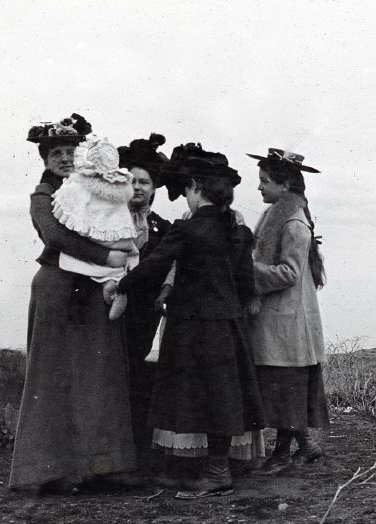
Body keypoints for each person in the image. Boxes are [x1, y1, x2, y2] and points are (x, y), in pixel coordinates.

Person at [111, 146, 265, 499]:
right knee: (222, 397)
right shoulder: (238, 231)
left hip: (193, 326)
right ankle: (217, 469)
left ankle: (213, 474)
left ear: (197, 188)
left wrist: (122, 285)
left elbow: (152, 268)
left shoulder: (188, 228)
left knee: (196, 396)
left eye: (188, 189)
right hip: (227, 325)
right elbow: (246, 284)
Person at [9, 114, 136, 494]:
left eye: (70, 151)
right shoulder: (43, 196)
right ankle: (49, 469)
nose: (65, 158)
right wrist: (107, 258)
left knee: (98, 375)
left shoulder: (98, 188)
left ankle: (103, 466)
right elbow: (56, 235)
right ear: (45, 160)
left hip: (93, 288)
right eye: (56, 154)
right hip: (58, 287)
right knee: (54, 376)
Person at [245, 148, 330, 475]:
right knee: (283, 389)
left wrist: (247, 270)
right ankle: (304, 447)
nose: (259, 187)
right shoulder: (275, 215)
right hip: (279, 319)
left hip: (288, 322)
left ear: (284, 186)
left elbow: (290, 273)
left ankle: (285, 452)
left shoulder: (293, 223)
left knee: (284, 389)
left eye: (265, 181)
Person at [117, 134, 171, 462]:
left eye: (144, 182)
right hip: (106, 312)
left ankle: (137, 449)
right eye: (130, 180)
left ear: (154, 188)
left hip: (143, 317)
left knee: (136, 376)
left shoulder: (163, 229)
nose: (137, 187)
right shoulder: (104, 223)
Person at [51, 135, 139, 320]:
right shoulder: (117, 183)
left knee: (80, 261)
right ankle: (113, 282)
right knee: (127, 254)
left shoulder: (79, 185)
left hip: (94, 236)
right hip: (118, 237)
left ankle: (108, 284)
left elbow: (68, 206)